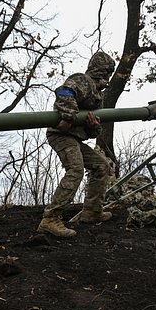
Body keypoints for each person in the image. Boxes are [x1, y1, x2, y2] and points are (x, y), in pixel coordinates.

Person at [37, 51, 116, 238]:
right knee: (76, 169)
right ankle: (50, 219)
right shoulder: (82, 80)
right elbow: (65, 92)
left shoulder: (98, 94)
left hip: (75, 138)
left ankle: (92, 212)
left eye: (110, 73)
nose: (108, 77)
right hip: (60, 135)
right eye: (107, 72)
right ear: (100, 71)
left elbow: (92, 130)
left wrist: (93, 127)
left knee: (102, 166)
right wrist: (69, 117)